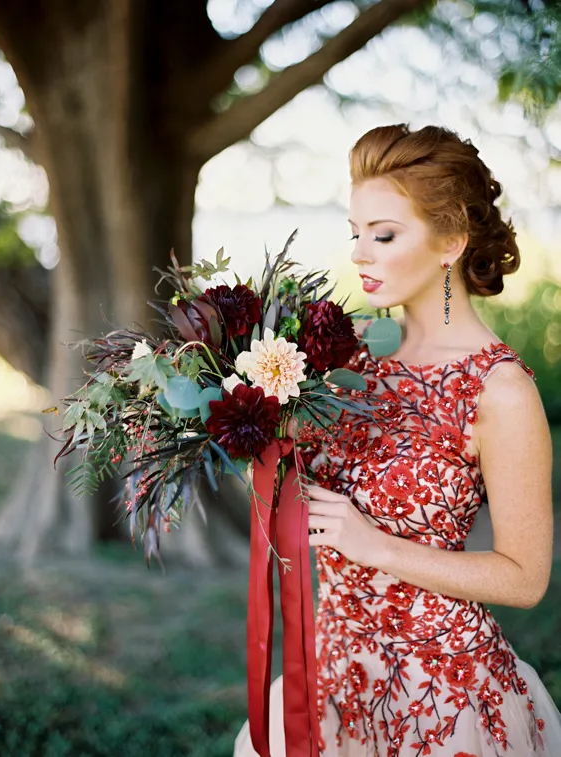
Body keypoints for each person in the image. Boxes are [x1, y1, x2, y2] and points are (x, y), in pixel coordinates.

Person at [233, 124, 561, 756]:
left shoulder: (500, 392)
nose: (359, 253)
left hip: (438, 691)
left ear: (452, 242)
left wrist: (371, 544)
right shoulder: (342, 359)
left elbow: (525, 580)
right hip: (329, 670)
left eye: (383, 235)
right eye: (355, 233)